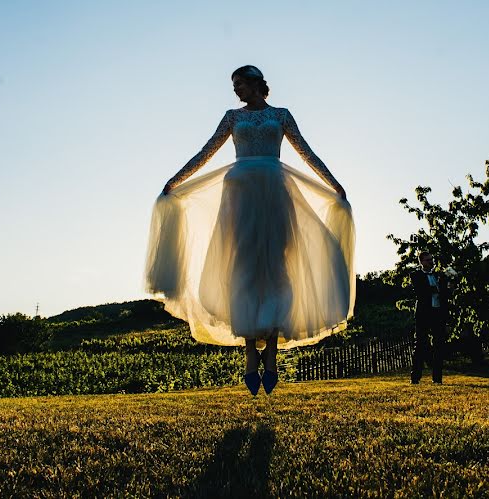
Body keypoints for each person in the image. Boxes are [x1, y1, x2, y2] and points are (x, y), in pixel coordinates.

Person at [144, 65, 356, 396]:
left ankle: (270, 354)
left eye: (240, 84)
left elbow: (306, 152)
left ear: (257, 84)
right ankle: (250, 358)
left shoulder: (282, 115)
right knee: (242, 268)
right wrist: (176, 180)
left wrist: (333, 183)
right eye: (234, 85)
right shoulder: (232, 117)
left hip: (275, 193)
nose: (236, 90)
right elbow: (207, 152)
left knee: (276, 269)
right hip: (239, 196)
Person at [410, 251, 451, 384]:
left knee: (439, 345)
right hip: (424, 314)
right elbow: (421, 292)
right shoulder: (416, 275)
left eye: (431, 259)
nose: (431, 262)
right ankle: (415, 377)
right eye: (428, 260)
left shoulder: (439, 275)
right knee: (420, 344)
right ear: (421, 262)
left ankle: (437, 378)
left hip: (437, 312)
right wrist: (436, 289)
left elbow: (445, 293)